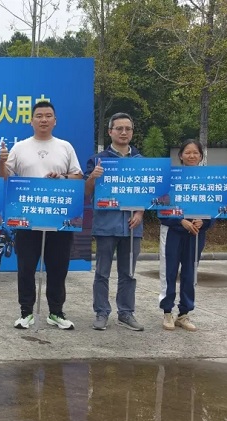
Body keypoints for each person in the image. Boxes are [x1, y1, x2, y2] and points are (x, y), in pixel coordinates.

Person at [0, 100, 83, 330]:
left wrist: (62, 177)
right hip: (27, 218)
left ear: (55, 120)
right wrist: (1, 161)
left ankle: (56, 312)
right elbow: (3, 177)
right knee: (26, 267)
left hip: (58, 218)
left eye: (48, 115)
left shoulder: (65, 146)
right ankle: (26, 312)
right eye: (39, 116)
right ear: (31, 121)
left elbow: (78, 177)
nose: (43, 119)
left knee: (58, 267)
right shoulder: (20, 147)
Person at [84, 113, 145, 332]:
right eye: (119, 128)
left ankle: (126, 313)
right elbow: (86, 192)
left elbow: (148, 192)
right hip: (106, 225)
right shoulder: (98, 160)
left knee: (128, 273)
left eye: (128, 129)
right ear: (110, 132)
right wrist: (93, 177)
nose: (123, 132)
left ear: (132, 132)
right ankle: (101, 312)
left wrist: (140, 212)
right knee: (102, 272)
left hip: (132, 226)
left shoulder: (140, 161)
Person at [158, 139, 213, 331]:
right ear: (180, 155)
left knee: (190, 273)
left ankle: (184, 314)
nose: (191, 156)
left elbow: (214, 207)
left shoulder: (208, 179)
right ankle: (167, 312)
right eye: (187, 152)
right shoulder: (170, 178)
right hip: (173, 232)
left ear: (201, 156)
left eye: (195, 152)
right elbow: (161, 207)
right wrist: (180, 220)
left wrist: (204, 222)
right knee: (169, 272)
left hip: (195, 234)